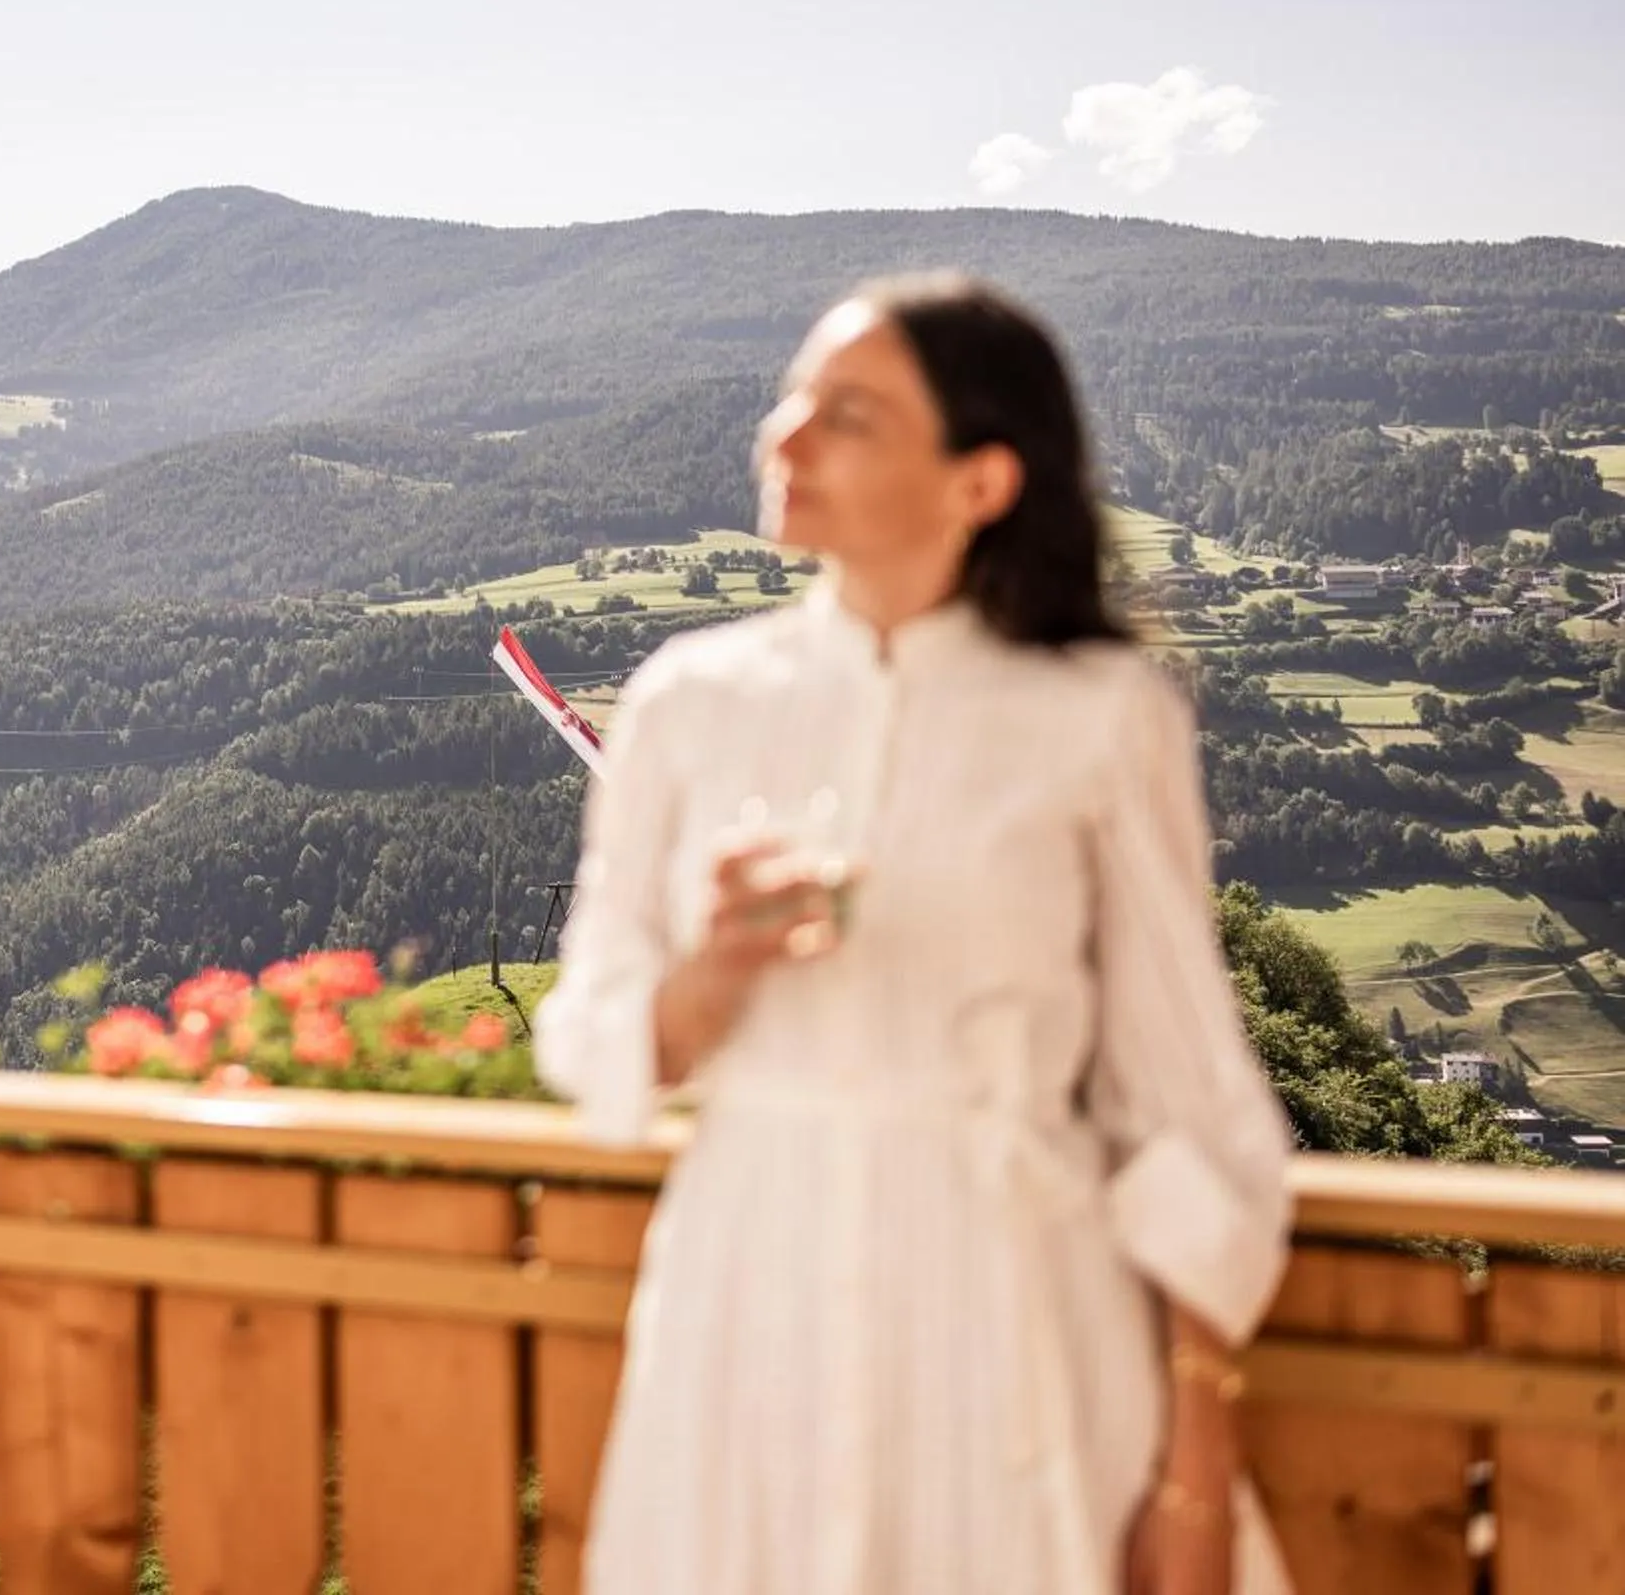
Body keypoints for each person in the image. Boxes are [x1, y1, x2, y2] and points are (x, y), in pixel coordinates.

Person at [534, 274, 1294, 1595]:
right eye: (789, 400)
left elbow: (1186, 1106)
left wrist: (1192, 1477)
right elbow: (585, 1030)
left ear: (979, 481)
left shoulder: (1099, 716)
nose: (782, 436)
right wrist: (707, 978)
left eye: (847, 416)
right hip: (743, 1298)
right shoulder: (685, 702)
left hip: (1008, 1317)